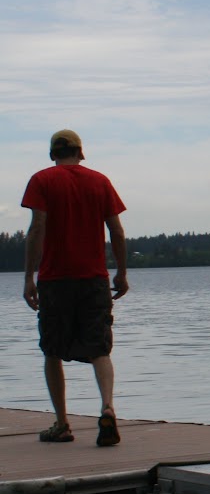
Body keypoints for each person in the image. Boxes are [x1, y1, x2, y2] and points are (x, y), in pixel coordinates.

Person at [21, 129, 129, 446]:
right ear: (81, 153)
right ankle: (108, 407)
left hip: (55, 279)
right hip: (94, 278)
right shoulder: (99, 181)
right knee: (100, 348)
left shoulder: (42, 180)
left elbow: (37, 227)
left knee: (52, 350)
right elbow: (117, 232)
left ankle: (62, 424)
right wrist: (121, 273)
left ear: (53, 154)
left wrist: (29, 276)